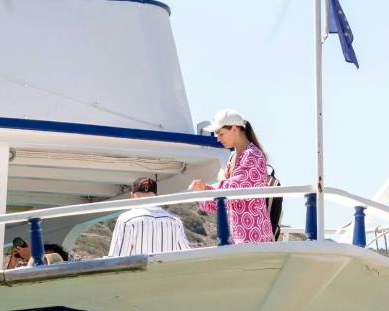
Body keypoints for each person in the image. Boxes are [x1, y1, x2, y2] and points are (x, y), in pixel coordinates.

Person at [190, 109, 275, 243]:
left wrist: (221, 180)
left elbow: (237, 188)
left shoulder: (252, 155)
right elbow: (219, 202)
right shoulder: (232, 157)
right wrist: (203, 190)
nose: (218, 138)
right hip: (238, 235)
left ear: (234, 129)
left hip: (253, 234)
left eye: (221, 133)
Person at [107, 177, 192, 257]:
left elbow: (116, 258)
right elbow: (187, 256)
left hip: (139, 272)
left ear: (132, 196)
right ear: (156, 196)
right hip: (167, 272)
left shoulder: (126, 219)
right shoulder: (175, 222)